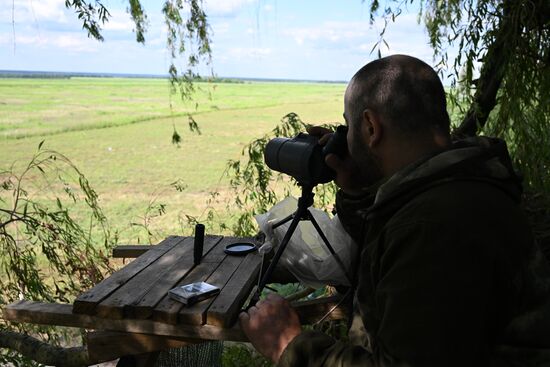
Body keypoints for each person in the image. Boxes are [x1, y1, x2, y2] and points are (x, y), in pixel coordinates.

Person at [239, 54, 550, 366]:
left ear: (371, 127)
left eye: (348, 126)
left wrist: (291, 345)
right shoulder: (449, 189)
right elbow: (383, 268)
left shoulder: (433, 225)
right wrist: (357, 191)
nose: (343, 139)